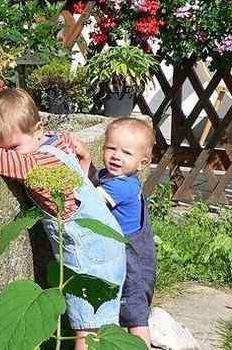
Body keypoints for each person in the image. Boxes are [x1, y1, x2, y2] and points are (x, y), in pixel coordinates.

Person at [0, 88, 126, 350]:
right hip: (108, 243)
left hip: (86, 255)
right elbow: (71, 141)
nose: (12, 155)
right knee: (102, 321)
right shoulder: (56, 143)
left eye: (14, 148)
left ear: (38, 130)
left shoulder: (38, 163)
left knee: (87, 331)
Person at [87, 117, 157, 349]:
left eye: (126, 152)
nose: (116, 156)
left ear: (142, 163)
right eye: (110, 148)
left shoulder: (121, 186)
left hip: (130, 258)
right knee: (129, 306)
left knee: (134, 310)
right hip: (134, 249)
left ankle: (142, 345)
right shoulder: (111, 176)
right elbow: (92, 180)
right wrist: (85, 160)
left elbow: (88, 199)